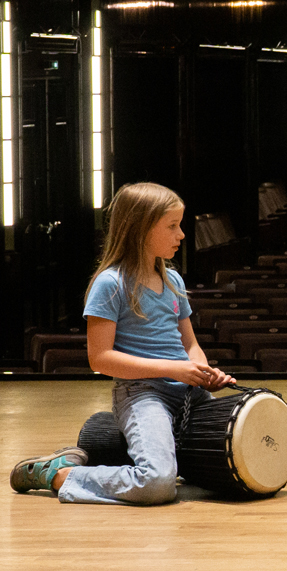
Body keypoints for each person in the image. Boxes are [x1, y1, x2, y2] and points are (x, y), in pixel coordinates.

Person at [11, 183, 235, 504]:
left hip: (188, 394)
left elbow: (190, 345)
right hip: (143, 394)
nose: (182, 234)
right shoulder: (110, 284)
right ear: (140, 228)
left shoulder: (173, 280)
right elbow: (100, 359)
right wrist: (175, 369)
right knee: (157, 483)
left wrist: (202, 371)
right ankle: (58, 475)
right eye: (172, 226)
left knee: (239, 451)